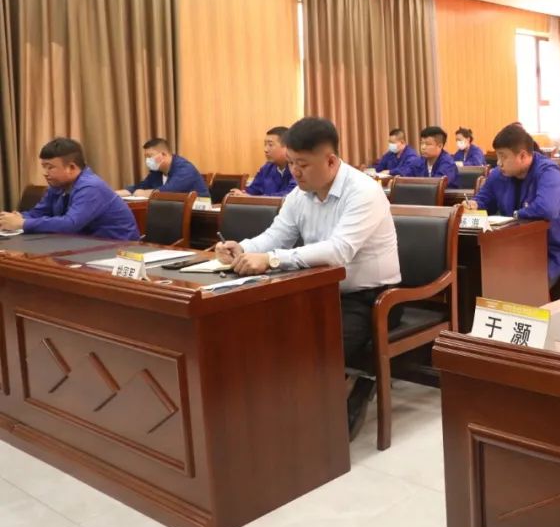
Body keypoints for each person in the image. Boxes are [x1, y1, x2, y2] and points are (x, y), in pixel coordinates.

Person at [213, 117, 401, 438]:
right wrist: (242, 249)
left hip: (372, 298)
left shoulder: (363, 192)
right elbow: (276, 236)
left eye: (302, 165)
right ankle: (287, 410)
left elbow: (339, 251)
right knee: (263, 328)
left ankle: (346, 393)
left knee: (312, 345)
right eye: (291, 163)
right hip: (317, 289)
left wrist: (271, 260)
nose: (295, 172)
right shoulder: (299, 195)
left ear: (330, 161)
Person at [467, 124, 560, 285]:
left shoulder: (548, 171)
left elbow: (547, 209)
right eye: (497, 156)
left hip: (551, 248)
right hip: (512, 245)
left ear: (523, 156)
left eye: (503, 157)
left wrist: (516, 215)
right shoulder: (498, 174)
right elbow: (484, 199)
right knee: (473, 271)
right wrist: (474, 205)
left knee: (523, 284)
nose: (499, 163)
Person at [0, 138, 140, 240]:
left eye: (50, 167)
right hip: (82, 245)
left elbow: (70, 224)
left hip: (117, 249)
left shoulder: (91, 187)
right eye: (44, 167)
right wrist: (15, 219)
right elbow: (39, 212)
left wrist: (23, 223)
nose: (45, 173)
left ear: (71, 167)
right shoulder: (57, 185)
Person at [118, 138, 208, 197]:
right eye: (146, 157)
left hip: (199, 214)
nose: (147, 160)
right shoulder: (157, 172)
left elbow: (168, 191)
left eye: (150, 156)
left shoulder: (185, 168)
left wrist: (144, 193)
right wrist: (116, 194)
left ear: (164, 154)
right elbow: (140, 187)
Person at [236, 126, 296, 197]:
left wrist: (253, 198)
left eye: (270, 145)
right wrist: (242, 194)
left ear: (286, 147)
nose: (265, 150)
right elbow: (253, 190)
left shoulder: (297, 167)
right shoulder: (267, 168)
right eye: (265, 145)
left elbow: (290, 195)